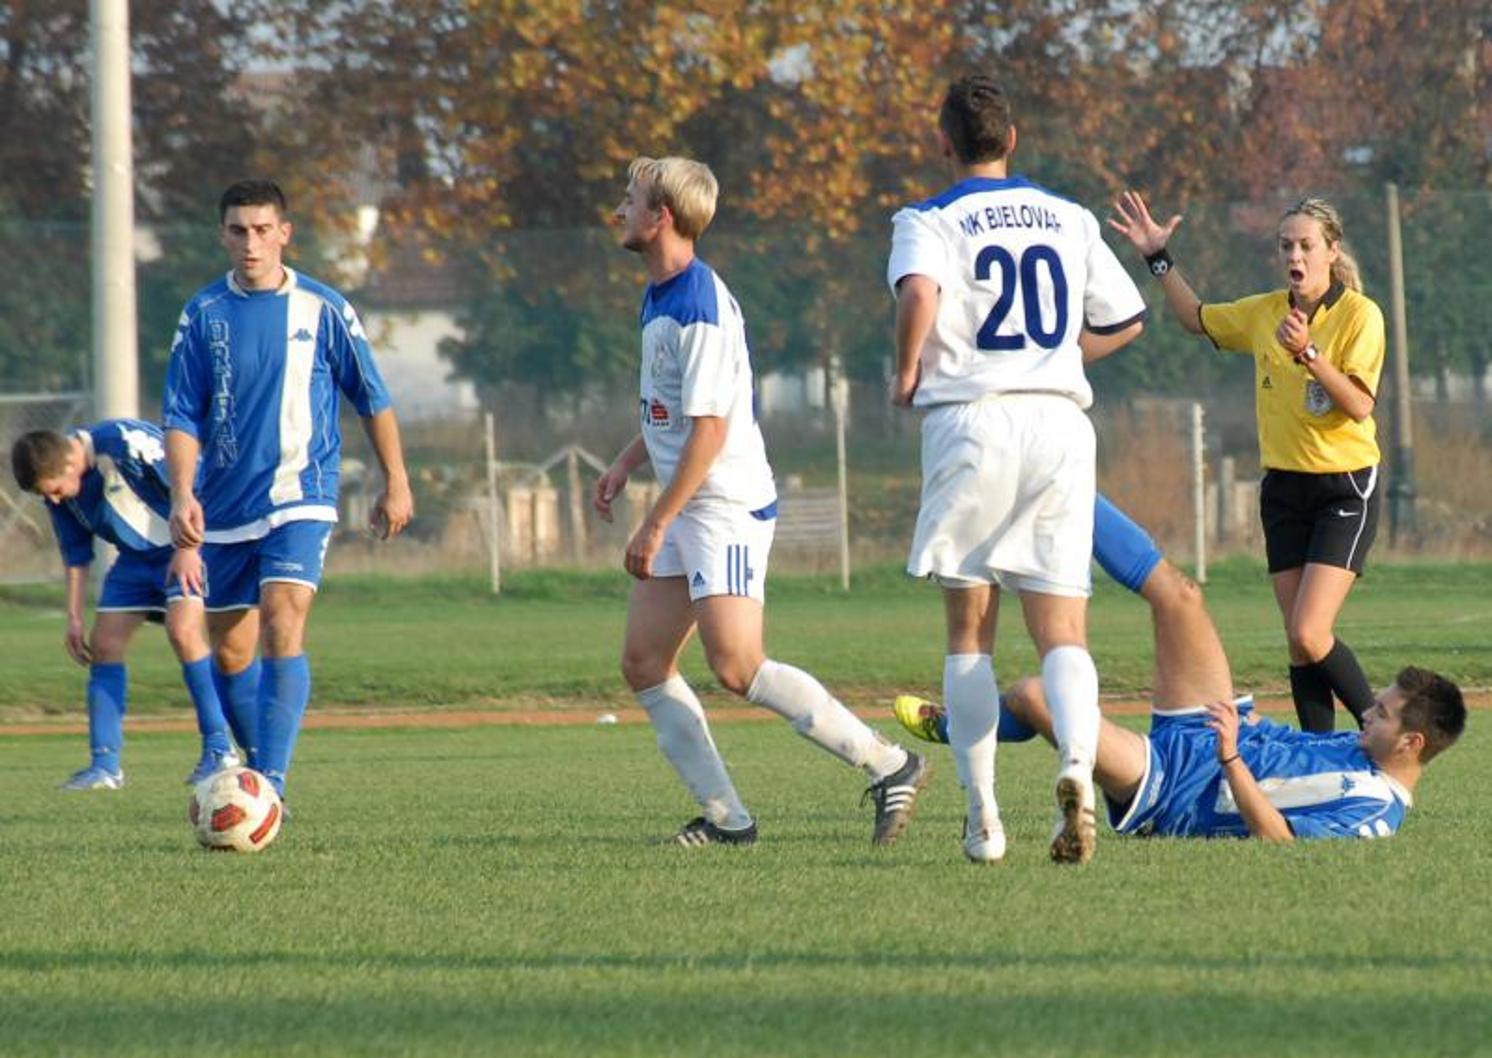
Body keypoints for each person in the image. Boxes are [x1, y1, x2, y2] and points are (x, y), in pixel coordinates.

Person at [594, 155, 929, 849]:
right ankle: (727, 821)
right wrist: (627, 463)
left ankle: (890, 764)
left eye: (630, 199)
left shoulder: (699, 305)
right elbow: (674, 409)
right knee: (644, 663)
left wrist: (654, 525)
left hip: (724, 505)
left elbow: (711, 433)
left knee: (737, 666)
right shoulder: (660, 293)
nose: (618, 208)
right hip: (689, 501)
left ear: (662, 218)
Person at [887, 74, 1147, 864]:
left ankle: (983, 817)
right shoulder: (1068, 216)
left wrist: (905, 371)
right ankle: (1075, 763)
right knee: (1062, 628)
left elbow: (921, 295)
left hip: (972, 419)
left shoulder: (926, 217)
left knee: (970, 629)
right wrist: (1059, 357)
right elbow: (1126, 319)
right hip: (1060, 424)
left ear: (943, 143)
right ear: (1014, 138)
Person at [896, 499, 1466, 841]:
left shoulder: (1375, 815)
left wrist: (1232, 759)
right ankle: (1064, 476)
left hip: (1175, 785)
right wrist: (1241, 736)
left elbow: (1280, 839)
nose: (1367, 708)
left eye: (1383, 712)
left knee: (1033, 695)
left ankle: (957, 726)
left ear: (1411, 742)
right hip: (1221, 723)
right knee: (1180, 595)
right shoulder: (1364, 749)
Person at [162, 179, 413, 800]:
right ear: (223, 235)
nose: (250, 242)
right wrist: (182, 494)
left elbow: (371, 398)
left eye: (262, 229)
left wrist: (396, 481)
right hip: (222, 505)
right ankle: (254, 766)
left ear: (284, 233)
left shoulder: (324, 309)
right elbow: (181, 414)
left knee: (282, 617)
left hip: (302, 492)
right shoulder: (202, 314)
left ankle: (268, 784)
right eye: (238, 230)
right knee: (230, 652)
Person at [1109, 192, 1386, 735]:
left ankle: (1382, 729)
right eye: (1286, 245)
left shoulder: (1360, 315)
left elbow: (1358, 404)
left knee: (1311, 632)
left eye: (1307, 245)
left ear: (1332, 251)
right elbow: (1194, 318)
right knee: (1298, 643)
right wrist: (1158, 256)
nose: (1295, 256)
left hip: (1344, 488)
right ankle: (1317, 760)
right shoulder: (1264, 312)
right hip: (1284, 489)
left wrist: (1309, 354)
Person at [11, 421, 240, 790]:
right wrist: (73, 617)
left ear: (70, 464)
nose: (53, 499)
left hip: (186, 545)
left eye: (53, 490)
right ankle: (105, 767)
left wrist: (188, 549)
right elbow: (76, 554)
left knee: (183, 632)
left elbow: (192, 486)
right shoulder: (60, 490)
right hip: (134, 560)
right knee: (104, 646)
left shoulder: (123, 443)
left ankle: (220, 748)